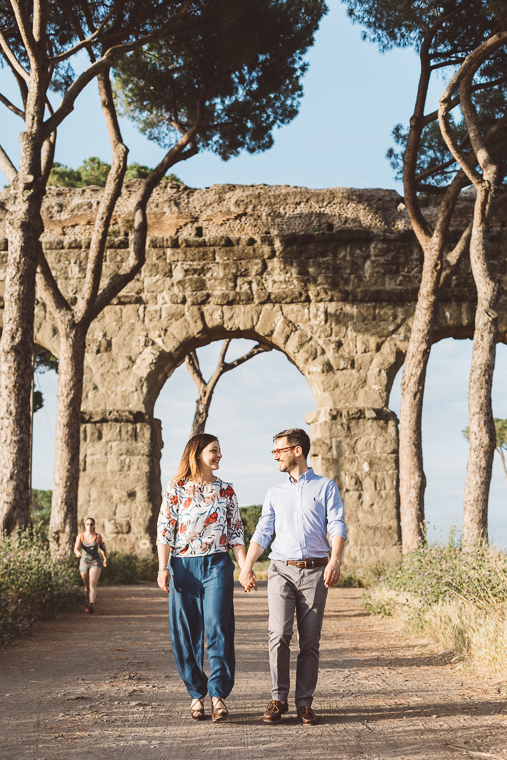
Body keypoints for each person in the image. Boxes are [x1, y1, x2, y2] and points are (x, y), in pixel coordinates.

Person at [238, 427, 346, 726]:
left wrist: (334, 560)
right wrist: (246, 566)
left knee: (309, 641)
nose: (275, 456)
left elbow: (337, 524)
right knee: (279, 634)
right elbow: (263, 531)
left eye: (279, 450)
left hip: (315, 571)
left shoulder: (326, 487)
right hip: (280, 570)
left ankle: (304, 703)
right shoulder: (275, 492)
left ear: (297, 450)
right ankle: (278, 699)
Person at [156, 433, 246, 723]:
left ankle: (218, 694)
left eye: (219, 451)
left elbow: (235, 533)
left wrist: (244, 568)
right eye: (214, 450)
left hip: (218, 565)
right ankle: (196, 694)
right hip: (182, 566)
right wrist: (163, 567)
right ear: (197, 454)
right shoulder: (176, 488)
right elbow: (165, 531)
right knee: (186, 632)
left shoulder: (226, 490)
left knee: (218, 627)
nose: (219, 455)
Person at [74, 517, 108, 614]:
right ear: (85, 525)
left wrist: (105, 558)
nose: (89, 526)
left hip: (95, 562)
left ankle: (91, 604)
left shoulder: (98, 537)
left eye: (91, 524)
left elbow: (103, 548)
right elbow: (76, 547)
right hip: (84, 563)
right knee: (86, 586)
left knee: (92, 584)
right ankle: (87, 603)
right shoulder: (80, 536)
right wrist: (77, 552)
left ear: (94, 525)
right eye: (87, 524)